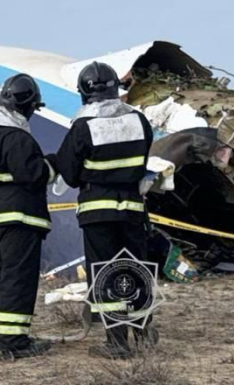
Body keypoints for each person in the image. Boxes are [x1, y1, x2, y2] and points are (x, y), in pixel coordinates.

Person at [51, 61, 157, 359]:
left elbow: (69, 173)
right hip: (133, 210)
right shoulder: (139, 121)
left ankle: (118, 342)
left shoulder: (83, 126)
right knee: (136, 269)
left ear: (84, 92)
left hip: (98, 213)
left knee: (106, 274)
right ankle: (144, 329)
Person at [0, 74, 55, 359]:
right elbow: (34, 175)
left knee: (0, 276)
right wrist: (53, 165)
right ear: (28, 105)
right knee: (19, 278)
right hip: (21, 218)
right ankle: (12, 342)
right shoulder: (18, 138)